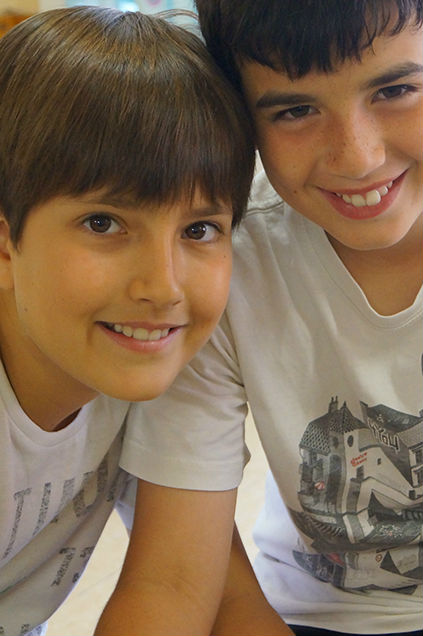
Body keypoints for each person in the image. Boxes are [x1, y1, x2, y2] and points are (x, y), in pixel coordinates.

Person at [108, 0, 422, 634]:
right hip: (317, 613)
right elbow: (174, 579)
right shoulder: (221, 264)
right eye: (295, 110)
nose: (358, 157)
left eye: (395, 90)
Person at [0, 6, 258, 635]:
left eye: (200, 229)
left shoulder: (146, 368)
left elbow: (208, 591)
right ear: (5, 244)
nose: (162, 288)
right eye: (104, 223)